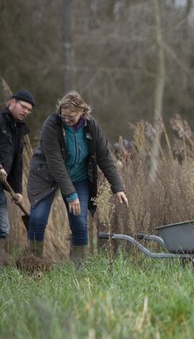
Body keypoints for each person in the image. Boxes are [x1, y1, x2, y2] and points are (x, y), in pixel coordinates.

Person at [27, 91, 128, 261]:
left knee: (80, 223)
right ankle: (32, 263)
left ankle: (78, 268)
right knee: (37, 219)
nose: (66, 120)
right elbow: (55, 163)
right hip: (46, 176)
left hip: (78, 177)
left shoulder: (91, 126)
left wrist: (117, 187)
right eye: (63, 116)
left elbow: (104, 157)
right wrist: (70, 194)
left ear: (82, 112)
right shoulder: (52, 125)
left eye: (71, 118)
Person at [0, 91, 35, 265]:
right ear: (12, 103)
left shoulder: (19, 130)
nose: (26, 111)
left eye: (29, 110)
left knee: (3, 228)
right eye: (23, 107)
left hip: (2, 184)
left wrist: (18, 190)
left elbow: (17, 163)